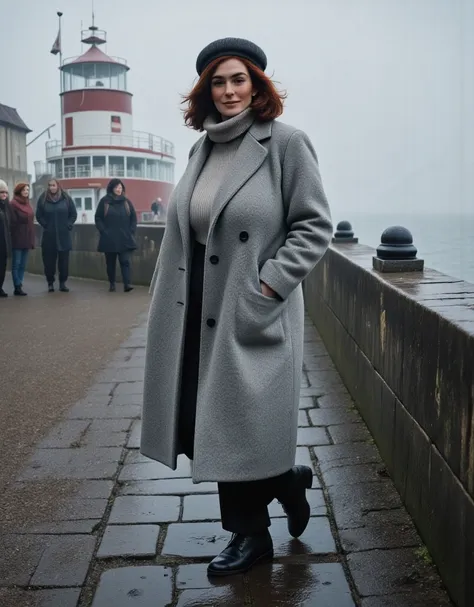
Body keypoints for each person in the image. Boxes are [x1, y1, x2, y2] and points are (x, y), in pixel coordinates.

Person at [141, 37, 332, 576]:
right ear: (207, 91)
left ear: (257, 84)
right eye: (218, 82)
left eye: (238, 79)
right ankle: (285, 481)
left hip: (247, 304)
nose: (228, 91)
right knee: (205, 418)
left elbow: (314, 225)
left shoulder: (286, 144)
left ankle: (250, 538)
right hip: (194, 303)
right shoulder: (202, 148)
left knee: (232, 421)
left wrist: (268, 287)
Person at [94, 178, 137, 292]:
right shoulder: (105, 202)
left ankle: (127, 284)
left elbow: (133, 217)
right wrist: (103, 231)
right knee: (110, 263)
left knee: (125, 261)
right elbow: (98, 218)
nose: (119, 189)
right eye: (117, 187)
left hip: (125, 238)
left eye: (120, 187)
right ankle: (112, 283)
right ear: (112, 188)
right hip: (109, 238)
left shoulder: (126, 202)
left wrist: (131, 230)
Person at [36, 179, 77, 292]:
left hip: (63, 236)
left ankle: (63, 283)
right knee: (49, 262)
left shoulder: (66, 198)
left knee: (64, 262)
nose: (51, 187)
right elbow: (39, 215)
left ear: (58, 186)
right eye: (49, 185)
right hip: (49, 236)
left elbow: (73, 214)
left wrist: (68, 225)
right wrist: (46, 225)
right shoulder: (43, 199)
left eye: (53, 185)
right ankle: (50, 283)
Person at [9, 182, 35, 296]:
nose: (26, 192)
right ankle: (17, 286)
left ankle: (20, 284)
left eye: (28, 190)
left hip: (27, 237)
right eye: (24, 190)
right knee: (16, 263)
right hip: (17, 237)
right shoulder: (13, 204)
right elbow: (12, 222)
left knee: (23, 264)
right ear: (19, 191)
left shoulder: (28, 203)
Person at [0, 179, 11, 297]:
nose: (4, 195)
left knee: (2, 267)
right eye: (2, 192)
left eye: (6, 192)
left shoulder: (6, 206)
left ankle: (0, 287)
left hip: (4, 242)